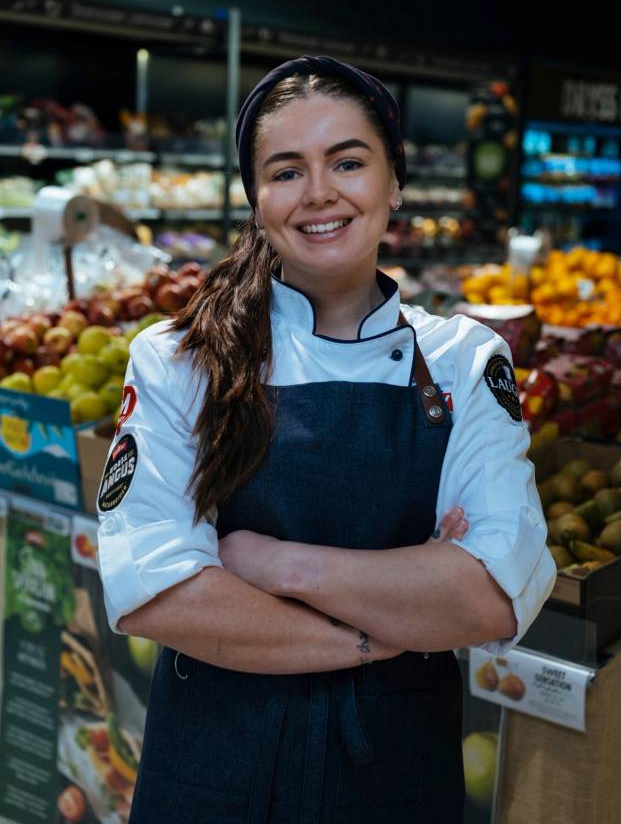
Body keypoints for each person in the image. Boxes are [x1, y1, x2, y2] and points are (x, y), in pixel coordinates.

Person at [96, 55, 556, 824]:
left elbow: (488, 595)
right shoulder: (177, 360)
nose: (319, 193)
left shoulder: (466, 363)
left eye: (348, 161)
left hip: (396, 780)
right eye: (286, 170)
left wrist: (273, 563)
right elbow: (159, 594)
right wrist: (389, 629)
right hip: (212, 775)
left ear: (394, 182)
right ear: (256, 198)